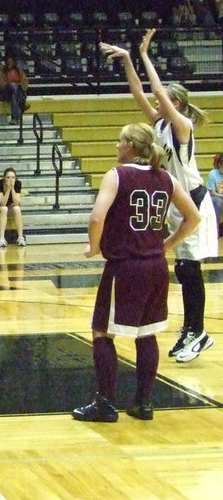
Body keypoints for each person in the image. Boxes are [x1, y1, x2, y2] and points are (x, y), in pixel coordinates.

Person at [101, 28, 218, 363]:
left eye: (164, 99)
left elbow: (154, 89)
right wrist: (126, 60)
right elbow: (139, 90)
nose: (156, 103)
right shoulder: (161, 124)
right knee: (184, 269)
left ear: (176, 102)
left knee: (188, 269)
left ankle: (197, 332)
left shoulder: (182, 125)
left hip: (194, 201)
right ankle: (193, 330)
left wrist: (146, 55)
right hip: (176, 205)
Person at [72, 123, 200, 422]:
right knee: (147, 334)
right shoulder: (166, 177)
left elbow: (96, 217)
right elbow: (194, 217)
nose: (116, 147)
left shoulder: (117, 175)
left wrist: (93, 247)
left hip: (126, 266)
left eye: (120, 142)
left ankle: (105, 403)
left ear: (130, 145)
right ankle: (144, 404)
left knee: (102, 331)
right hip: (156, 267)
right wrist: (166, 245)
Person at [0, 167, 25, 246]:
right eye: (8, 177)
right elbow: (2, 203)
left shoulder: (18, 183)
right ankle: (1, 238)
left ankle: (20, 237)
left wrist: (12, 189)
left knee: (17, 208)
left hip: (10, 206)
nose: (10, 180)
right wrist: (8, 189)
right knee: (4, 208)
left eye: (13, 177)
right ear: (4, 178)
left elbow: (17, 202)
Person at [0, 56, 29, 124]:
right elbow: (0, 85)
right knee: (12, 86)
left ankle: (14, 119)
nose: (9, 63)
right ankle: (22, 103)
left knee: (14, 96)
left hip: (16, 93)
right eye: (8, 62)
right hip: (6, 93)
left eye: (11, 62)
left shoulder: (19, 71)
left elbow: (25, 82)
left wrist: (18, 85)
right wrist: (9, 84)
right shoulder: (2, 72)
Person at [206, 152, 223, 233]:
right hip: (216, 196)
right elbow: (212, 192)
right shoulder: (213, 173)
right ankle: (216, 227)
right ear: (219, 164)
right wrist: (221, 195)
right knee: (218, 202)